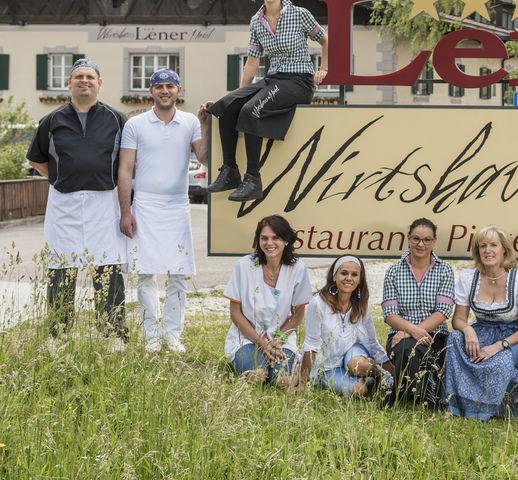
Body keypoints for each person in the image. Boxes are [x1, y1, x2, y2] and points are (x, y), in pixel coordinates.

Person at [201, 0, 328, 202]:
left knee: (251, 111)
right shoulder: (256, 21)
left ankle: (253, 179)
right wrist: (237, 96)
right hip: (274, 79)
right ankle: (230, 171)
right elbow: (252, 60)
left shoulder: (300, 14)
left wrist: (324, 68)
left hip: (299, 81)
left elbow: (325, 40)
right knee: (226, 107)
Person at [26, 58, 129, 348]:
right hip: (64, 204)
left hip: (104, 202)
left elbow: (128, 163)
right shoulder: (51, 120)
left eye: (90, 77)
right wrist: (59, 176)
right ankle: (58, 335)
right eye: (79, 77)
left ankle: (114, 335)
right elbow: (36, 158)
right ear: (69, 83)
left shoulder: (116, 118)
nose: (84, 81)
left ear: (99, 83)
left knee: (107, 268)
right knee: (61, 269)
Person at [118, 69, 208, 354]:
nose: (165, 91)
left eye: (170, 86)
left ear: (179, 90)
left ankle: (173, 335)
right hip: (144, 204)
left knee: (178, 273)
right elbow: (125, 169)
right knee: (145, 274)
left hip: (177, 204)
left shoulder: (190, 122)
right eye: (159, 86)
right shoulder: (135, 124)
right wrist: (125, 210)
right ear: (151, 91)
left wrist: (206, 125)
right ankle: (152, 336)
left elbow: (204, 157)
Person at [443, 226, 518, 420]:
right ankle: (461, 405)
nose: (488, 251)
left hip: (512, 339)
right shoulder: (469, 278)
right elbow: (458, 319)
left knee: (500, 362)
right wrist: (468, 330)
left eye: (493, 245)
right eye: (482, 246)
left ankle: (491, 407)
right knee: (454, 339)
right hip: (480, 332)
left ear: (504, 249)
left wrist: (498, 346)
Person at [223, 215, 312, 384]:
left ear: (286, 240)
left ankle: (276, 363)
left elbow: (298, 313)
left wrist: (278, 340)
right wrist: (262, 343)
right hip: (248, 337)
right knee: (257, 376)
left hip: (280, 339)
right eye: (264, 238)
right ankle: (247, 360)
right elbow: (235, 313)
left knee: (283, 380)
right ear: (258, 240)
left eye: (275, 238)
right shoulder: (244, 266)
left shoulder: (297, 268)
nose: (269, 243)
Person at [381, 218, 455, 407]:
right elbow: (390, 313)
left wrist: (413, 331)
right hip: (399, 334)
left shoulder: (445, 270)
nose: (421, 244)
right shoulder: (394, 271)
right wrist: (409, 331)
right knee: (408, 348)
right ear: (408, 239)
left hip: (435, 334)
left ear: (434, 241)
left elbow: (443, 311)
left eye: (427, 240)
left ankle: (399, 395)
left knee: (413, 349)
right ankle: (423, 397)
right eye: (416, 239)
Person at [297, 256, 394, 397]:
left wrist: (393, 371)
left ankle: (382, 377)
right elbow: (311, 344)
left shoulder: (361, 304)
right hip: (327, 365)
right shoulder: (318, 304)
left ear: (360, 280)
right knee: (358, 391)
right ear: (334, 276)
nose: (349, 278)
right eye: (344, 273)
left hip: (352, 352)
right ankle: (369, 382)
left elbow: (372, 342)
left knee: (357, 364)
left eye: (354, 274)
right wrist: (302, 381)